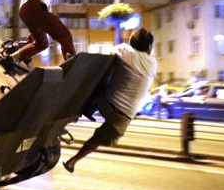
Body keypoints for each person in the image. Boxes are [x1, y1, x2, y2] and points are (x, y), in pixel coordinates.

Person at [63, 28, 157, 172]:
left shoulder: (124, 50)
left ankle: (83, 108)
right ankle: (72, 161)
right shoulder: (153, 63)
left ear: (132, 42)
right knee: (97, 140)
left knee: (105, 79)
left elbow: (107, 59)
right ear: (149, 47)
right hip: (123, 118)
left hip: (106, 103)